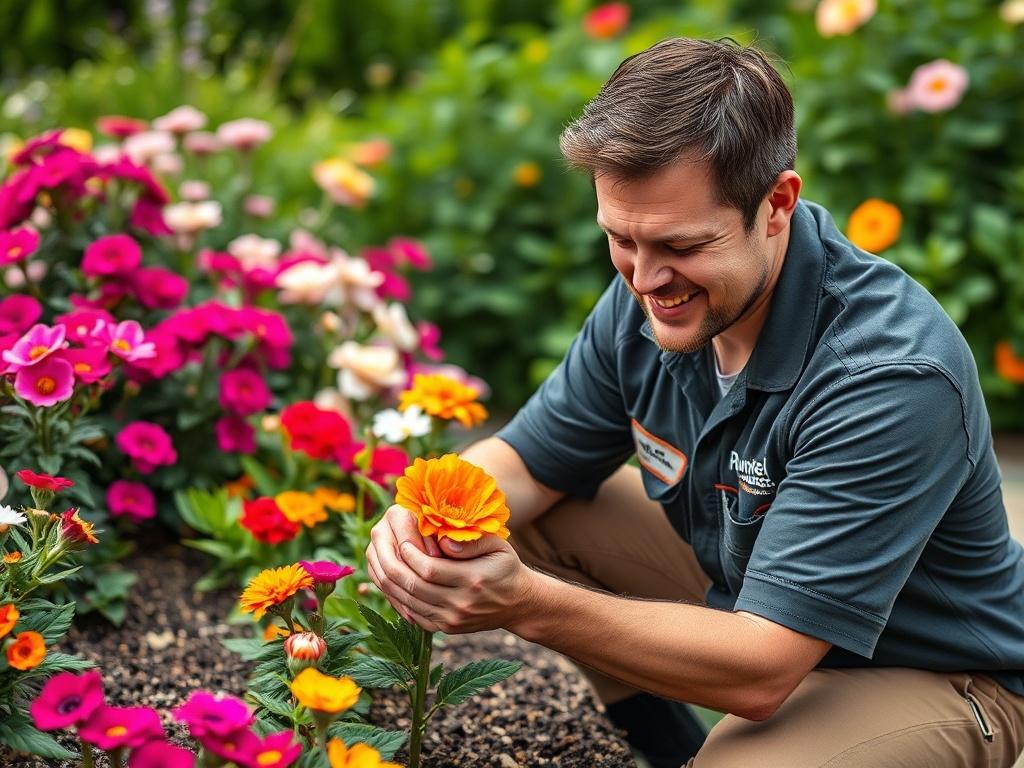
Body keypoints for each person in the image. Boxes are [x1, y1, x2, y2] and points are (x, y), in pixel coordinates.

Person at [366, 37, 1024, 767]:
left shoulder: (889, 375)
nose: (646, 279)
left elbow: (762, 668)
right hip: (752, 596)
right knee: (519, 518)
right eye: (620, 238)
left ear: (776, 205)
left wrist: (528, 604)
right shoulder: (655, 298)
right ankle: (667, 750)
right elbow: (525, 461)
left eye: (679, 244)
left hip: (932, 668)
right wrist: (420, 520)